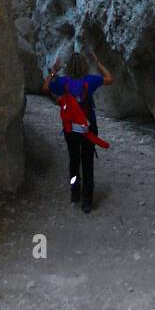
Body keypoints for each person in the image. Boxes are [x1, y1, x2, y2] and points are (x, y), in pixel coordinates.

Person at [42, 50, 113, 213]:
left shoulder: (63, 82)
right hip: (88, 126)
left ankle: (75, 192)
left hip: (70, 127)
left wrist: (54, 71)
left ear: (68, 67)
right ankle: (87, 201)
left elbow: (45, 88)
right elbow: (110, 79)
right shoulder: (91, 80)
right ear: (85, 66)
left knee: (74, 160)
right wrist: (98, 62)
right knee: (87, 162)